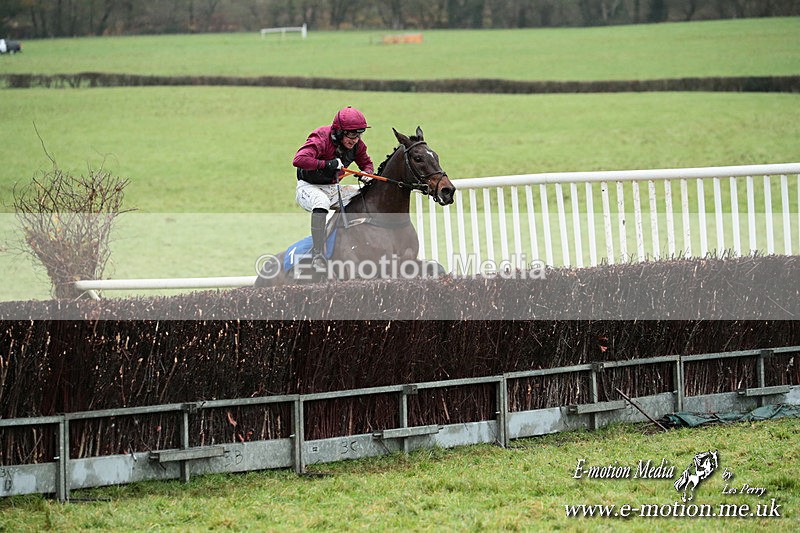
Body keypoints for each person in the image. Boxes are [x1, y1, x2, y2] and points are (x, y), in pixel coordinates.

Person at [293, 106, 375, 271]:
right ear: (338, 132)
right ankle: (317, 255)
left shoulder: (358, 146)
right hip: (309, 188)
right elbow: (299, 159)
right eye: (351, 134)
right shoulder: (320, 138)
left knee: (366, 194)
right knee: (321, 202)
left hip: (333, 188)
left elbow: (366, 163)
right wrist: (327, 164)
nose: (355, 140)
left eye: (359, 134)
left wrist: (367, 173)